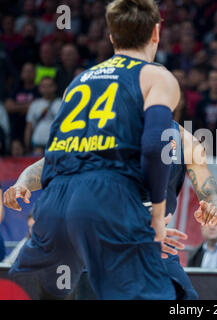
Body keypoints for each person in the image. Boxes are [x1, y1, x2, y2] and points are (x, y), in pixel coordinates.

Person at [6, 0, 182, 300]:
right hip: (105, 195)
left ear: (111, 36)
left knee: (54, 294)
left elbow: (59, 154)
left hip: (54, 201)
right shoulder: (157, 76)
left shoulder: (77, 82)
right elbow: (155, 147)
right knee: (161, 295)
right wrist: (156, 214)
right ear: (156, 33)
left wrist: (26, 183)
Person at [4, 121, 217, 300]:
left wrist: (212, 205)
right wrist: (21, 183)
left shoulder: (184, 140)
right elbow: (48, 165)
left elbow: (208, 188)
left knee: (186, 298)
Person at [24, 77, 62, 155]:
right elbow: (29, 127)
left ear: (55, 87)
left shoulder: (62, 103)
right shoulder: (35, 104)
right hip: (37, 145)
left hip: (57, 146)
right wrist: (27, 147)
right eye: (44, 86)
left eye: (49, 86)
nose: (47, 89)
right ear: (40, 88)